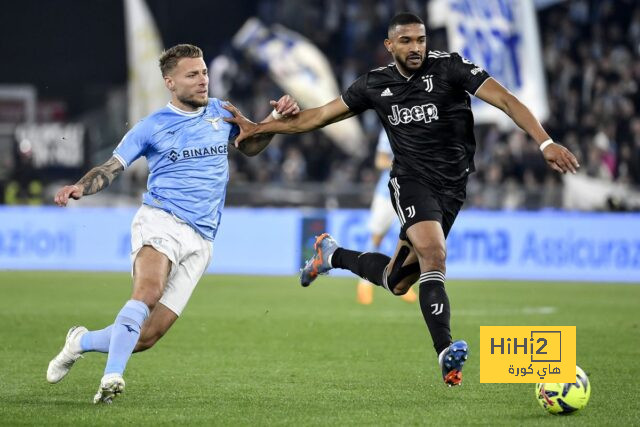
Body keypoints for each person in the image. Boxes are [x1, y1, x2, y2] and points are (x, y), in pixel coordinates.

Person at [224, 13, 579, 386]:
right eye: (406, 41)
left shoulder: (451, 68)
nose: (416, 48)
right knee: (434, 253)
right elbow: (319, 117)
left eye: (420, 40)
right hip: (410, 181)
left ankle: (331, 255)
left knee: (397, 281)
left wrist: (545, 141)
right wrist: (261, 127)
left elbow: (505, 100)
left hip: (453, 188)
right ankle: (445, 351)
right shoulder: (375, 85)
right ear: (389, 46)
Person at [46, 44, 299, 403]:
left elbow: (251, 144)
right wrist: (79, 187)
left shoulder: (222, 111)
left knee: (146, 337)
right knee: (146, 294)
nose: (203, 80)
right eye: (192, 75)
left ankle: (80, 341)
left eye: (205, 72)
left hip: (203, 238)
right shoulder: (151, 127)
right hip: (161, 220)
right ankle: (111, 377)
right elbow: (111, 168)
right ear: (170, 82)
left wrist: (276, 124)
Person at [356, 129, 417, 305]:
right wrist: (403, 164)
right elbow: (380, 160)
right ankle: (364, 283)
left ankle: (402, 281)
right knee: (376, 237)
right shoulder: (389, 128)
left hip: (412, 193)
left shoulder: (420, 124)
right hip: (388, 192)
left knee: (412, 238)